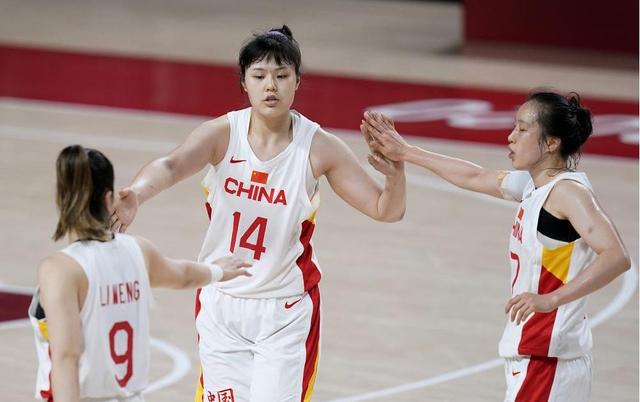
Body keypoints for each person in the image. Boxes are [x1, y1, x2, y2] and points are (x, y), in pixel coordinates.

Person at [109, 25, 406, 402]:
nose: (271, 86)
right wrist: (137, 193)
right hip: (221, 301)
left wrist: (395, 174)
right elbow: (171, 165)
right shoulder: (222, 134)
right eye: (260, 75)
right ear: (243, 83)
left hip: (284, 311)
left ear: (297, 82)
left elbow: (385, 209)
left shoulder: (318, 147)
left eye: (282, 76)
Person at [361, 91, 631, 402]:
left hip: (547, 363)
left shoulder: (567, 193)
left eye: (523, 129)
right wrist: (406, 152)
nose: (511, 136)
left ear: (551, 143)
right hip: (539, 359)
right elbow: (475, 176)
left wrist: (550, 299)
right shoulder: (534, 186)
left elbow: (616, 255)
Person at [30, 145, 252, 402]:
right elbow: (184, 275)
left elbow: (67, 357)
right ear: (109, 199)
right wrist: (218, 271)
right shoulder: (137, 251)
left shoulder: (61, 269)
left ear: (60, 198)